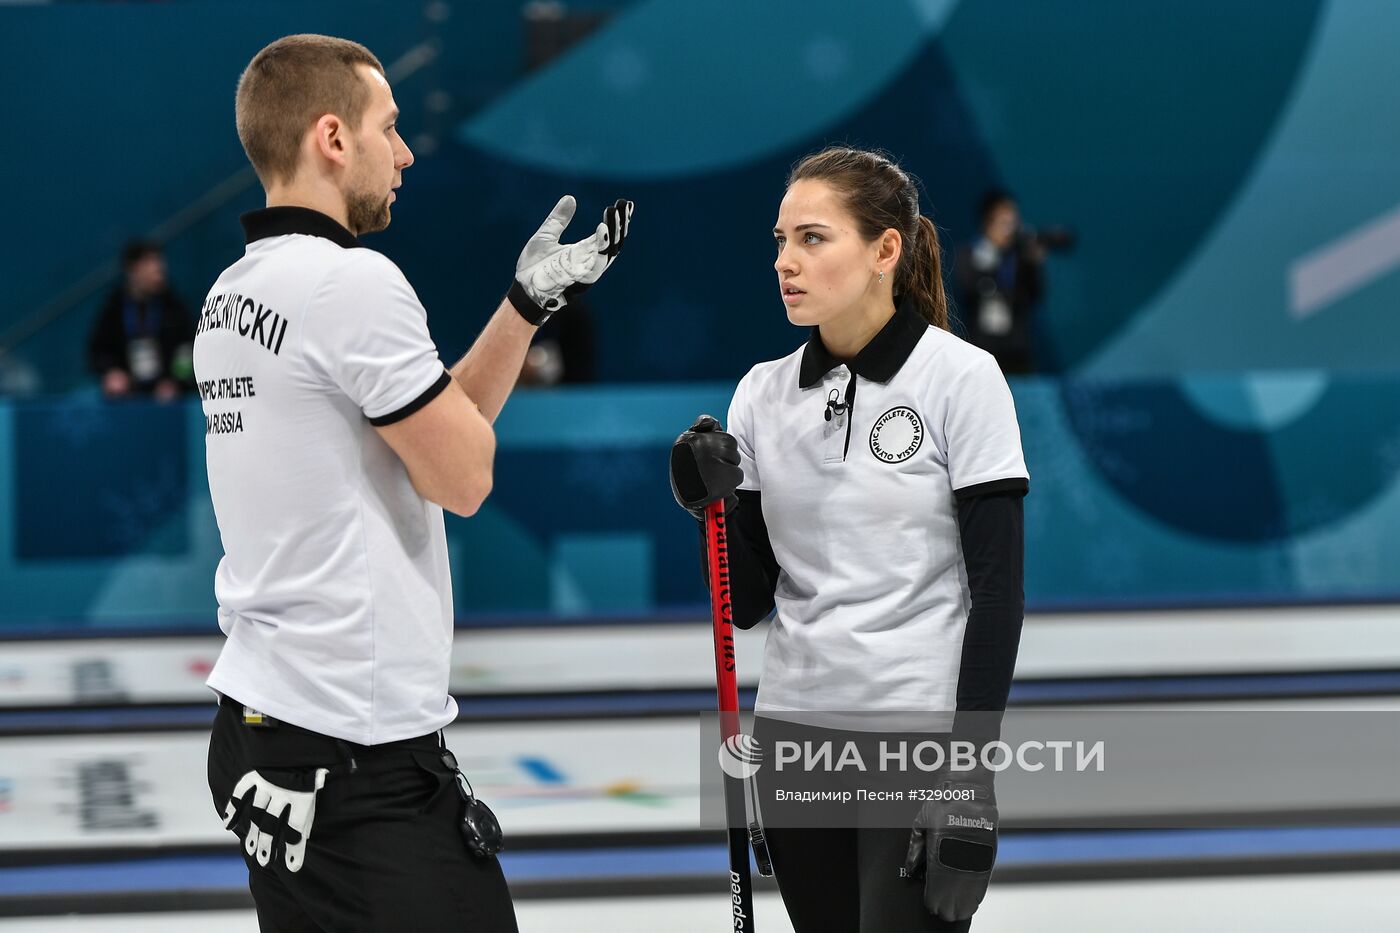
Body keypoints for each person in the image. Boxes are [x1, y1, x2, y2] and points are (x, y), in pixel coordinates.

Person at [195, 34, 631, 932]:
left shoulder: (231, 295)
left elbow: (419, 444)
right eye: (388, 128)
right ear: (331, 138)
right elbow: (462, 476)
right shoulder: (353, 284)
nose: (406, 152)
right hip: (357, 756)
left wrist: (523, 307)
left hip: (269, 724)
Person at [669, 147, 1027, 932]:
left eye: (812, 238)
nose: (785, 262)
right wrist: (713, 511)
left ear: (884, 251)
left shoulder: (961, 379)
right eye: (779, 241)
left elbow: (997, 593)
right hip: (796, 739)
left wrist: (971, 777)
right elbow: (750, 603)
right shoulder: (760, 393)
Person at [87, 240, 195, 400]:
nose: (159, 269)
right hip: (128, 396)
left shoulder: (174, 307)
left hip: (168, 398)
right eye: (150, 263)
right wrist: (112, 372)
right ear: (133, 270)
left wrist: (176, 382)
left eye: (159, 262)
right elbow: (97, 351)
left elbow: (187, 349)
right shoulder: (113, 307)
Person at [952, 190, 1045, 375]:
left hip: (1017, 351)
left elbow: (1034, 295)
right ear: (988, 220)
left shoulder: (1020, 258)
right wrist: (994, 251)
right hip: (980, 347)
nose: (1009, 226)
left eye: (1012, 220)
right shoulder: (969, 253)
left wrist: (1033, 265)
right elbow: (969, 288)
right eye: (1003, 220)